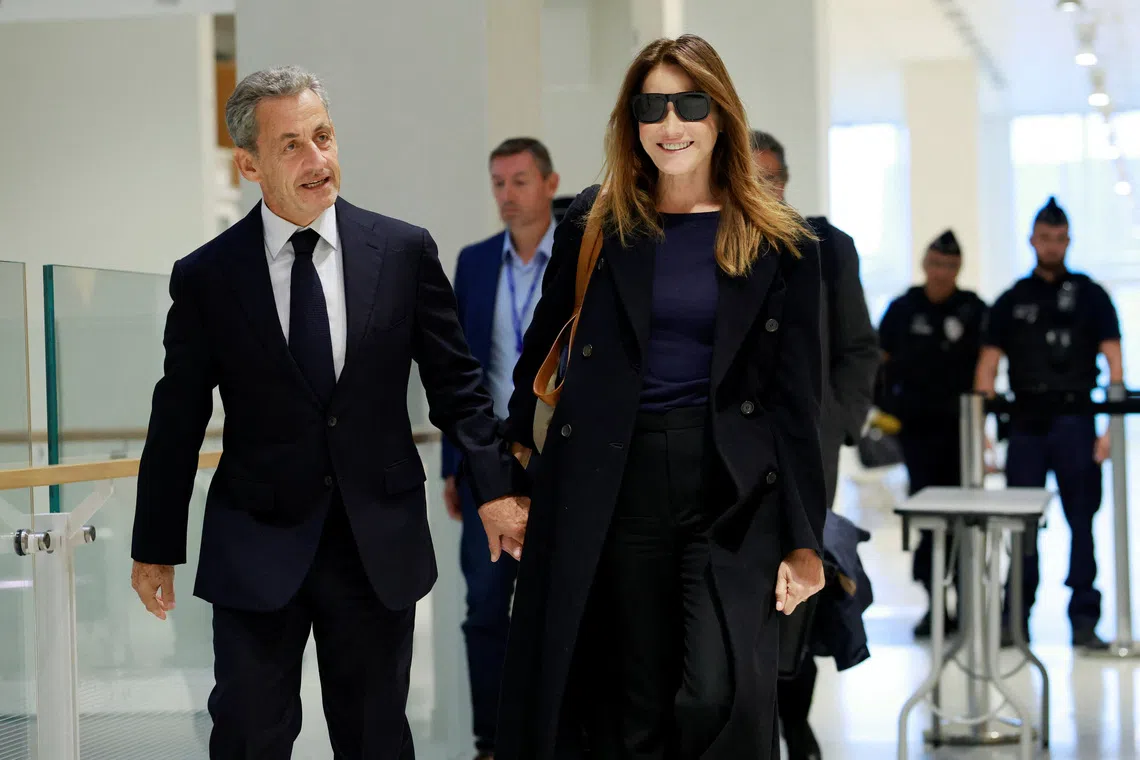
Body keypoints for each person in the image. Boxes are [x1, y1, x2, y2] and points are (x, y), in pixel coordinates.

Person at [128, 66, 529, 759]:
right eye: (291, 145)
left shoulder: (402, 251)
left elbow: (457, 386)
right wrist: (155, 543)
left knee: (375, 740)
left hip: (375, 541)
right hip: (256, 542)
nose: (318, 159)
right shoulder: (207, 276)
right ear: (249, 164)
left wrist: (495, 489)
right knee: (248, 737)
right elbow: (178, 416)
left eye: (324, 136)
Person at [495, 35, 827, 760]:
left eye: (688, 104)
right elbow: (537, 359)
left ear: (721, 115)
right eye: (652, 107)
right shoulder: (596, 223)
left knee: (716, 690)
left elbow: (799, 404)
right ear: (632, 121)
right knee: (630, 703)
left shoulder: (782, 242)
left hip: (730, 492)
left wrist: (807, 540)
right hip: (615, 481)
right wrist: (510, 480)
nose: (670, 124)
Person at [751, 130, 879, 760]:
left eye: (771, 178)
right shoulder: (711, 241)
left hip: (808, 448)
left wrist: (838, 421)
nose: (762, 188)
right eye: (751, 177)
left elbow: (858, 346)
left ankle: (795, 719)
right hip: (735, 449)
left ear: (786, 181)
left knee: (799, 578)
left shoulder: (826, 247)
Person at [440, 136, 559, 760]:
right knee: (485, 606)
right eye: (498, 183)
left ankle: (558, 737)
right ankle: (491, 741)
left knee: (561, 605)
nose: (507, 195)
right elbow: (457, 369)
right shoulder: (476, 261)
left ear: (549, 184)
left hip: (563, 458)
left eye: (519, 181)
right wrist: (455, 466)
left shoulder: (581, 253)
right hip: (491, 462)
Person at [975, 196, 1123, 651]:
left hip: (1076, 420)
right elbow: (987, 368)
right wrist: (982, 435)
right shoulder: (1013, 299)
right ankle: (1014, 617)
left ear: (1068, 241)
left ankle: (1084, 620)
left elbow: (1115, 363)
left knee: (1082, 522)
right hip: (1026, 424)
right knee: (1021, 524)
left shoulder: (1091, 295)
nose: (1052, 246)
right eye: (1045, 238)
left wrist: (1111, 431)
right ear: (1032, 240)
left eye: (1059, 238)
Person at [879, 230, 986, 637]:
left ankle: (967, 602)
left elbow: (988, 367)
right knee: (928, 520)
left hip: (962, 433)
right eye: (937, 264)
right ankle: (934, 604)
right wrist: (883, 410)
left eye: (950, 266)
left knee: (965, 519)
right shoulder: (903, 309)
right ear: (925, 264)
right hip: (917, 434)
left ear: (959, 268)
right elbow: (878, 361)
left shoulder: (973, 310)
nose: (942, 272)